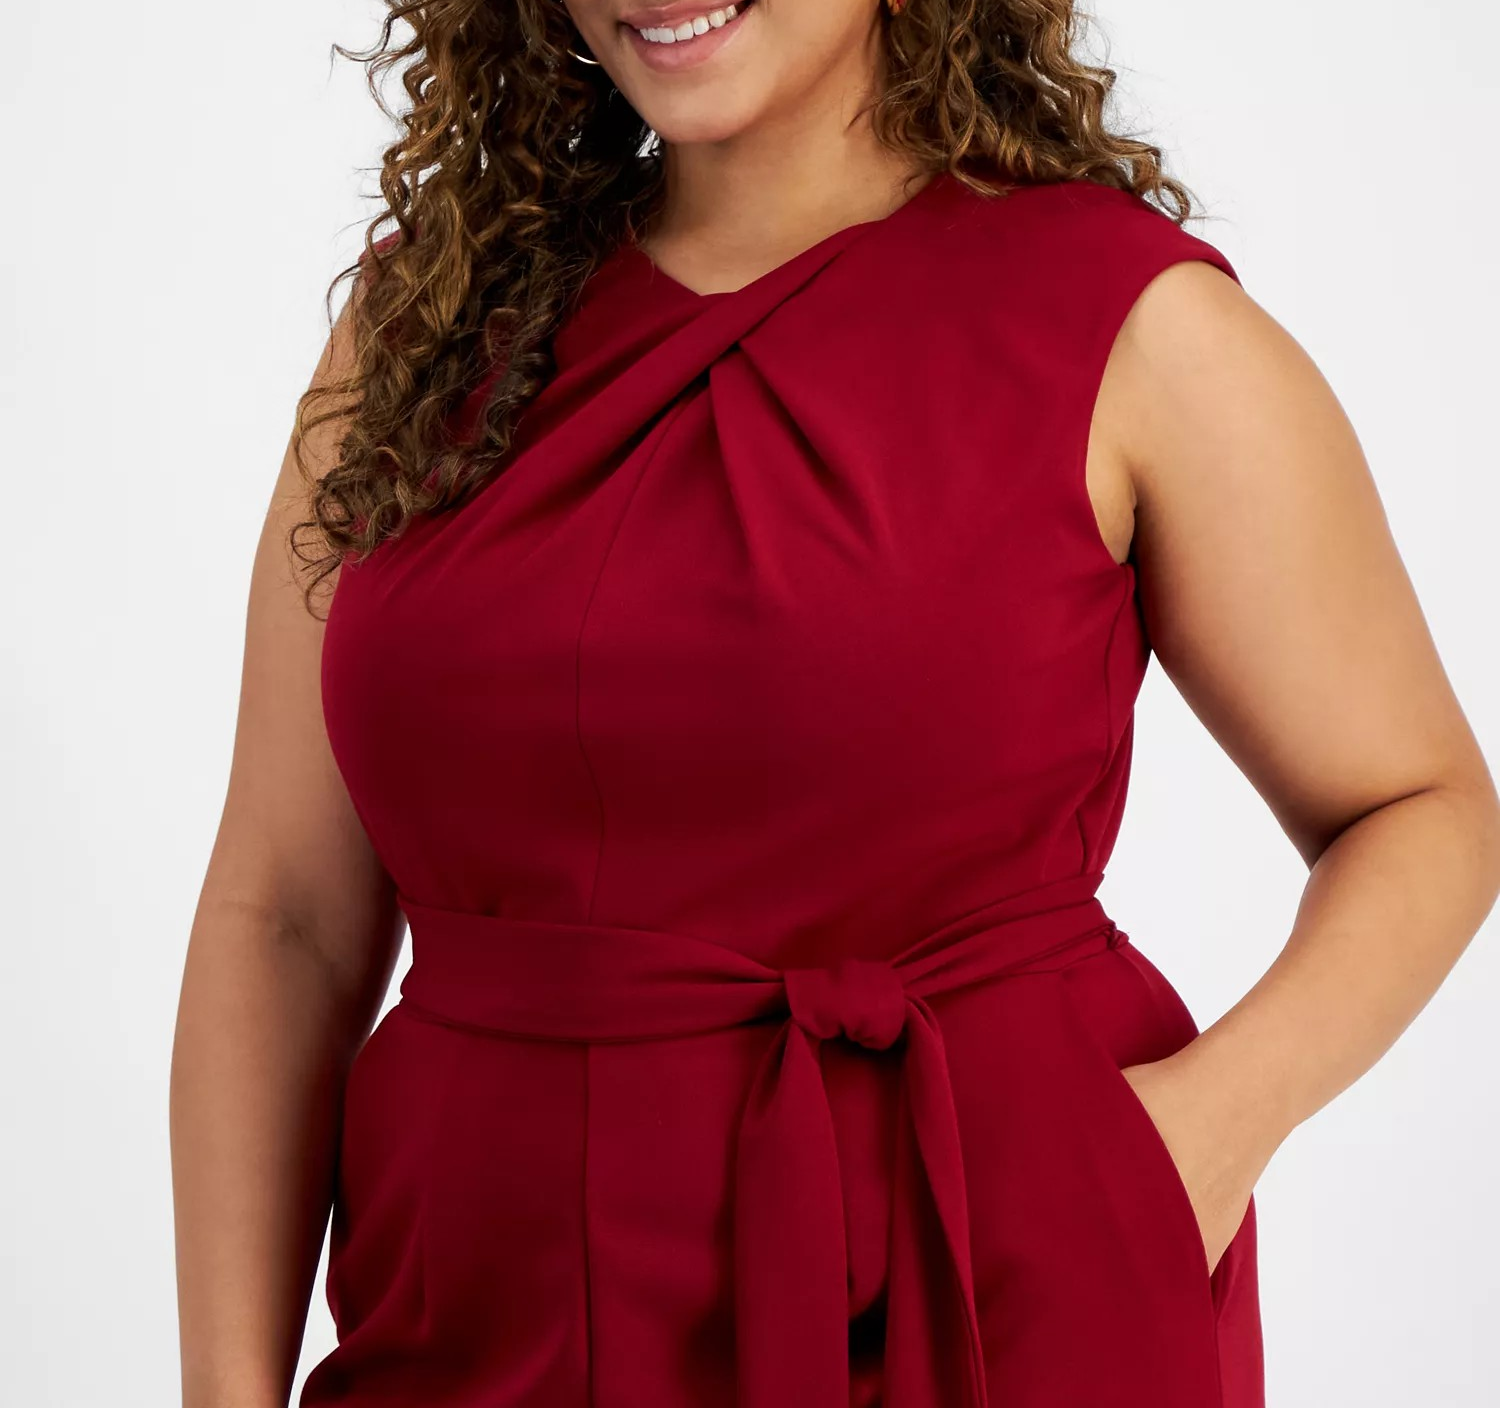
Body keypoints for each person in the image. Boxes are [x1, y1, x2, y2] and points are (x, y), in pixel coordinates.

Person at [169, 1, 1500, 1406]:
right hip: (469, 1319)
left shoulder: (1138, 329)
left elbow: (1424, 806)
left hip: (976, 1295)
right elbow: (288, 914)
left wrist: (1198, 1142)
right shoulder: (424, 328)